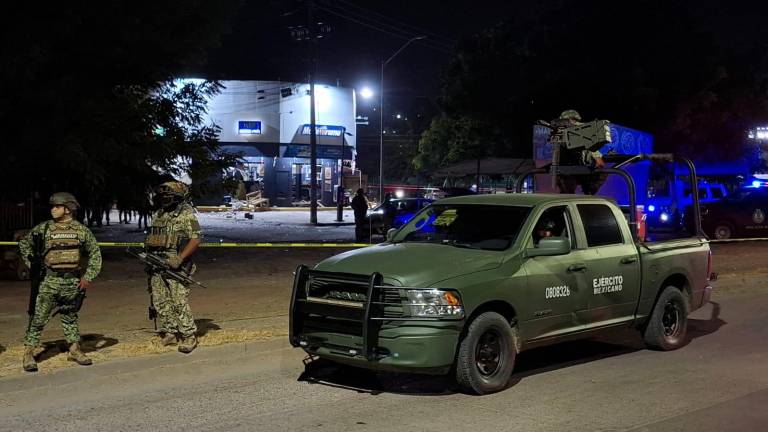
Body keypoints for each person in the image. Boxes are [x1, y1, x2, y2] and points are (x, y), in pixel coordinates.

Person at [19, 192, 102, 372]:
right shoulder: (45, 229)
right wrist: (33, 266)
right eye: (53, 206)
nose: (53, 210)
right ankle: (28, 353)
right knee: (38, 318)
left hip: (71, 282)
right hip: (49, 281)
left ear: (68, 209)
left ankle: (74, 350)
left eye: (57, 206)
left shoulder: (81, 231)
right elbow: (24, 244)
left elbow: (95, 253)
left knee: (70, 317)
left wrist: (88, 277)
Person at [146, 180, 202, 353]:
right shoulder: (159, 214)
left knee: (178, 301)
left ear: (177, 196)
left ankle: (188, 335)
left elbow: (196, 239)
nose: (164, 199)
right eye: (162, 196)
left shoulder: (187, 215)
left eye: (168, 195)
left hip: (177, 265)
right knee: (160, 300)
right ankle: (170, 331)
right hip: (157, 263)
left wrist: (180, 258)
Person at [555, 109, 607, 195]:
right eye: (570, 121)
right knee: (567, 194)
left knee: (601, 173)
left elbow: (599, 160)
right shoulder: (560, 133)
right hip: (567, 169)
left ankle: (589, 193)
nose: (573, 123)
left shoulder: (584, 132)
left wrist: (597, 157)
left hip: (584, 169)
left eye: (574, 120)